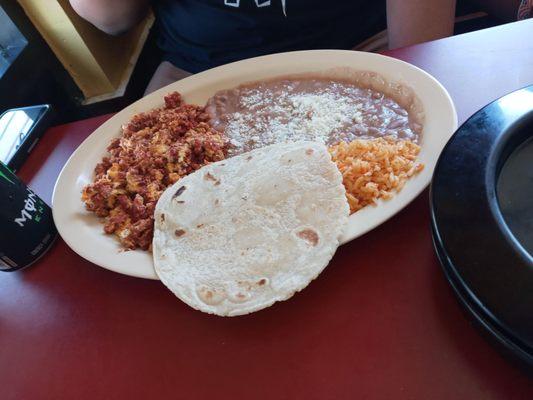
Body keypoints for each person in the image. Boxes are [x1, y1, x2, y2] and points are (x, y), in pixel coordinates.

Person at [70, 0, 459, 94]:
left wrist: (407, 71)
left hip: (361, 51)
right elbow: (108, 16)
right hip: (198, 76)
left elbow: (419, 57)